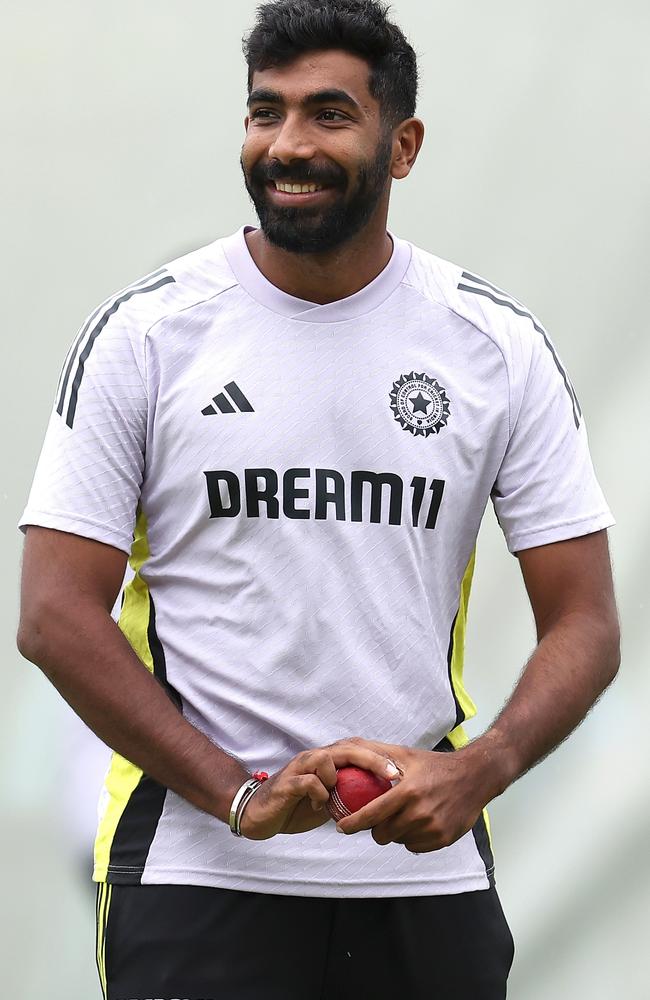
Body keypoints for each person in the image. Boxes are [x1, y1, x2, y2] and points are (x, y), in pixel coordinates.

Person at [17, 0, 620, 997]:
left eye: (327, 114)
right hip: (195, 870)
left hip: (423, 880)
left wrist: (479, 770)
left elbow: (586, 622)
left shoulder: (491, 348)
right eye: (265, 112)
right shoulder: (146, 335)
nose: (286, 144)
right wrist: (236, 792)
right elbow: (51, 614)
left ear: (402, 143)